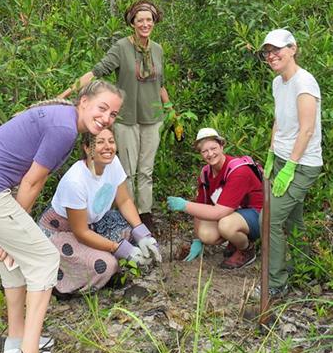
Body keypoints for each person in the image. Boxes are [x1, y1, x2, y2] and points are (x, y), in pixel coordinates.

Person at [0, 80, 124, 353]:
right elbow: (31, 182)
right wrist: (15, 224)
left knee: (13, 259)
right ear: (84, 102)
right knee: (44, 259)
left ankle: (16, 340)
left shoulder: (62, 116)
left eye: (113, 115)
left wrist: (13, 232)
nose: (106, 118)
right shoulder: (64, 129)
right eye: (102, 108)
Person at [60, 0, 174, 230]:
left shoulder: (158, 49)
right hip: (127, 118)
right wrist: (67, 93)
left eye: (148, 20)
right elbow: (97, 71)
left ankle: (146, 215)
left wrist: (172, 110)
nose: (145, 24)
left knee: (146, 171)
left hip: (153, 118)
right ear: (132, 23)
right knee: (128, 172)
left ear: (154, 23)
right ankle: (129, 217)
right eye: (140, 20)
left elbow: (160, 84)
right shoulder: (122, 47)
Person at [37, 127, 162, 295]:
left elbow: (124, 201)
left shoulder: (113, 163)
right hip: (61, 231)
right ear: (87, 148)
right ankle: (62, 285)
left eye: (111, 141)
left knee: (130, 231)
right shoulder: (76, 182)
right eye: (100, 142)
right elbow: (81, 232)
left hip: (93, 224)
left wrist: (143, 234)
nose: (108, 147)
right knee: (106, 264)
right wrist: (119, 248)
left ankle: (107, 268)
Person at [257, 29, 322, 297]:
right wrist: (272, 153)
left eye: (277, 50)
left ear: (292, 49)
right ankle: (303, 267)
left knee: (268, 219)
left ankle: (276, 282)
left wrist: (291, 167)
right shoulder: (277, 83)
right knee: (293, 218)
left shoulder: (304, 83)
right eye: (267, 52)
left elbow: (306, 130)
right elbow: (279, 121)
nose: (272, 56)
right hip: (282, 158)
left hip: (303, 163)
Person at [166, 128, 263, 269]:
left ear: (222, 146)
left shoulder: (238, 171)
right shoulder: (206, 173)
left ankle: (246, 249)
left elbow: (219, 212)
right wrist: (197, 239)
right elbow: (201, 205)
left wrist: (184, 205)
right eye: (204, 151)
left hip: (259, 216)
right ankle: (235, 240)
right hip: (235, 213)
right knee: (206, 234)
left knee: (226, 225)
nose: (210, 154)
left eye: (213, 148)